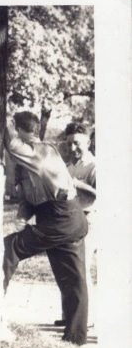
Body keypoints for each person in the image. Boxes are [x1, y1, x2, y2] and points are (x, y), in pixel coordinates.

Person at [3, 111, 89, 345]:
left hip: (62, 217)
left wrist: (2, 117)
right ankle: (75, 339)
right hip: (60, 218)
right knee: (72, 279)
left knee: (9, 248)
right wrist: (22, 217)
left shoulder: (41, 152)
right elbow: (28, 198)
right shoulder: (27, 161)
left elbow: (11, 144)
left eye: (14, 128)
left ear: (20, 129)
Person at [56, 122, 97, 328]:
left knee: (81, 268)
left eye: (78, 143)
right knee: (68, 268)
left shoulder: (95, 165)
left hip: (90, 220)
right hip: (70, 221)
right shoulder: (69, 165)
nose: (73, 148)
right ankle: (69, 315)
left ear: (88, 142)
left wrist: (76, 184)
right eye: (70, 143)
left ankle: (86, 319)